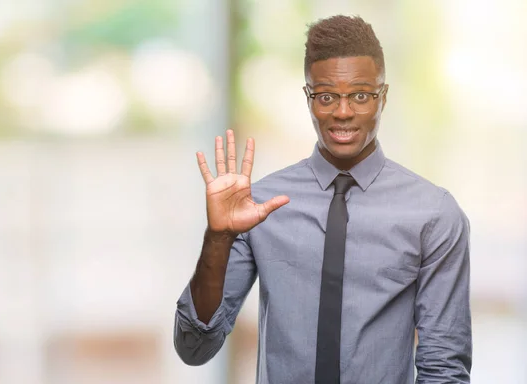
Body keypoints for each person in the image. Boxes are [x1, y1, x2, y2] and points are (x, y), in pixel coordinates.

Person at [173, 15, 472, 384]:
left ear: (384, 96)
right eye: (326, 96)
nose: (342, 112)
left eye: (361, 95)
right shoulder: (260, 205)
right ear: (308, 97)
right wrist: (217, 238)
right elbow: (194, 348)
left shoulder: (434, 214)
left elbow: (444, 368)